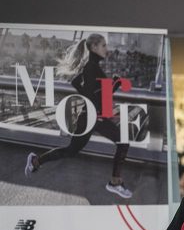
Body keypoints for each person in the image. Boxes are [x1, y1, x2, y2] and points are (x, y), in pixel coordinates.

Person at [23, 33, 132, 198]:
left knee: (72, 151)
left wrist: (110, 86)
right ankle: (114, 183)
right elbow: (94, 96)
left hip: (92, 116)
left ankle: (36, 161)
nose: (106, 49)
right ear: (94, 47)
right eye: (103, 45)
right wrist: (115, 84)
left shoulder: (92, 66)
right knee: (120, 143)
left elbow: (76, 83)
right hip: (91, 116)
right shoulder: (91, 67)